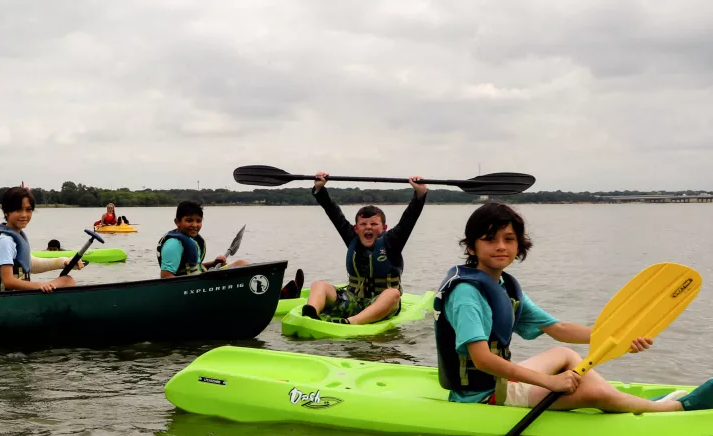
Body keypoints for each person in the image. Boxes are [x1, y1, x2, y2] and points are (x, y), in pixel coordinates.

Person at [435, 202, 713, 412]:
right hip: (482, 397)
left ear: (518, 245)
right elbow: (482, 360)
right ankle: (673, 408)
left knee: (564, 353)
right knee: (594, 395)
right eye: (489, 239)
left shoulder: (504, 286)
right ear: (471, 247)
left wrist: (621, 339)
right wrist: (550, 383)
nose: (500, 246)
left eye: (509, 239)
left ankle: (628, 402)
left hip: (500, 383)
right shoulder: (466, 294)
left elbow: (559, 329)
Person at [302, 172, 428, 325]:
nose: (368, 227)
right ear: (356, 228)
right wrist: (320, 189)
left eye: (374, 224)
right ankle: (310, 316)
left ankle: (351, 322)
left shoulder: (392, 241)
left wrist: (420, 194)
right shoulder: (352, 238)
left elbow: (409, 218)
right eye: (363, 224)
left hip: (381, 303)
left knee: (393, 294)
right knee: (318, 285)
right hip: (353, 300)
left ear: (384, 228)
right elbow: (333, 212)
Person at [0, 185, 82, 292]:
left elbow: (31, 264)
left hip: (21, 295)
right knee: (67, 281)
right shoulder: (5, 241)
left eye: (28, 210)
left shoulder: (16, 235)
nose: (24, 215)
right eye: (18, 210)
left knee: (67, 280)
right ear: (6, 212)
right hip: (8, 298)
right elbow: (8, 281)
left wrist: (64, 262)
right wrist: (38, 285)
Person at [156, 201, 246, 278]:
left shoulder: (190, 239)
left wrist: (213, 264)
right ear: (177, 222)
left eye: (198, 221)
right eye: (189, 220)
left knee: (241, 264)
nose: (195, 225)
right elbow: (165, 277)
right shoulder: (174, 244)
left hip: (199, 279)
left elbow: (194, 268)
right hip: (191, 286)